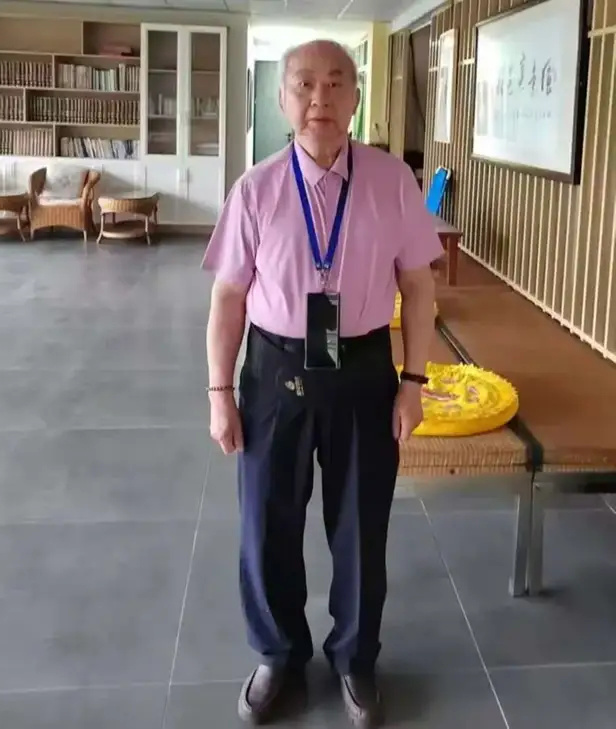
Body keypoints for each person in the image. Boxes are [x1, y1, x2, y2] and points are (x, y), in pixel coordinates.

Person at [202, 39, 443, 728]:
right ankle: (277, 651)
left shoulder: (392, 181)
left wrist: (413, 380)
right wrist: (220, 394)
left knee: (361, 523)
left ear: (356, 97)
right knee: (267, 521)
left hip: (363, 368)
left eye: (337, 83)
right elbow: (227, 298)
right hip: (274, 369)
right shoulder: (255, 189)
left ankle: (355, 655)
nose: (321, 98)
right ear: (283, 99)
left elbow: (418, 287)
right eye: (305, 84)